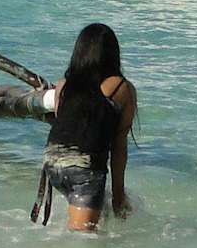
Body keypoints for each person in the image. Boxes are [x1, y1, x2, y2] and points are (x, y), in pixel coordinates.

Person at [33, 22, 136, 231]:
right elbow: (119, 147)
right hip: (84, 169)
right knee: (82, 240)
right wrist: (118, 195)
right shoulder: (121, 88)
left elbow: (65, 124)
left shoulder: (64, 85)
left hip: (52, 164)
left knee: (93, 219)